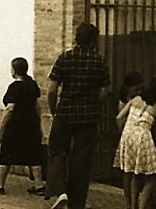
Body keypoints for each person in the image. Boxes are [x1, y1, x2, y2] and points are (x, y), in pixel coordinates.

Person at [46, 22, 110, 209]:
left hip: (65, 113)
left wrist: (54, 109)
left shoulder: (65, 58)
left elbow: (52, 89)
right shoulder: (99, 60)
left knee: (57, 151)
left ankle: (60, 192)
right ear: (93, 40)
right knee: (82, 158)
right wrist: (93, 104)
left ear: (76, 38)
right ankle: (77, 203)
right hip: (88, 116)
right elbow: (105, 91)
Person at [0, 57, 45, 195]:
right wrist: (40, 127)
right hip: (31, 125)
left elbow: (9, 109)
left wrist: (0, 129)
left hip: (15, 126)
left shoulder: (15, 87)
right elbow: (37, 108)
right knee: (34, 154)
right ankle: (39, 185)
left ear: (14, 70)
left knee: (6, 154)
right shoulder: (32, 85)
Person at [114, 77, 156, 209]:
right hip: (143, 139)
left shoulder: (135, 100)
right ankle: (142, 206)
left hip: (127, 136)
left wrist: (123, 133)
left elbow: (118, 117)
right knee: (152, 176)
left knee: (134, 173)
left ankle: (131, 206)